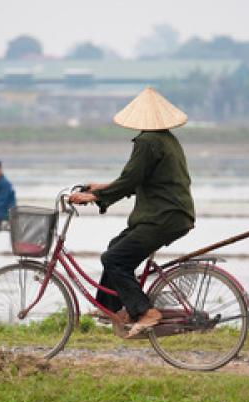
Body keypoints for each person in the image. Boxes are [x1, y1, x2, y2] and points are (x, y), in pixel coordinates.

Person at [69, 87, 195, 338]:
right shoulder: (166, 140)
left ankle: (145, 312)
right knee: (116, 247)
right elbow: (141, 180)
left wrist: (95, 196)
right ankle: (111, 308)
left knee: (114, 259)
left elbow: (130, 179)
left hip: (162, 217)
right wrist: (103, 187)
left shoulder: (148, 141)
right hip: (169, 214)